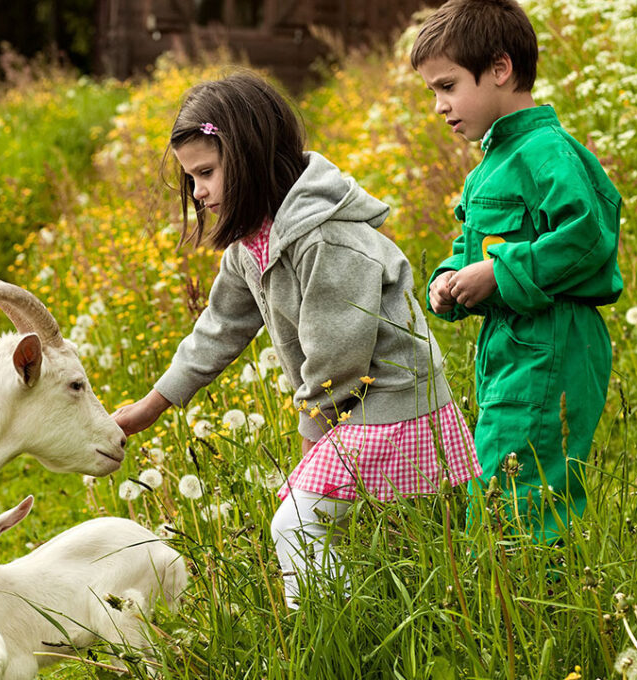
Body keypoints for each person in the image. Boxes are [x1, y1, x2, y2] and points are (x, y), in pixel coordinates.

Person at [112, 71, 480, 608]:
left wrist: (312, 442)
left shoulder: (324, 237)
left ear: (249, 155)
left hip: (396, 405)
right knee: (367, 533)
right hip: (356, 410)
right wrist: (152, 406)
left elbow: (339, 356)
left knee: (296, 525)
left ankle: (334, 628)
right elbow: (218, 328)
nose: (198, 192)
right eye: (192, 179)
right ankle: (375, 616)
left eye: (207, 173)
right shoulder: (251, 245)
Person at [410, 0, 623, 542]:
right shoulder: (493, 164)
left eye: (448, 86)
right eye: (434, 91)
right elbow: (474, 245)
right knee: (499, 470)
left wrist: (497, 276)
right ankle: (507, 601)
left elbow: (588, 236)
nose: (439, 105)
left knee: (523, 482)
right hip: (513, 344)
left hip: (553, 341)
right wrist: (451, 278)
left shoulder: (545, 151)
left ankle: (529, 603)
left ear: (500, 70)